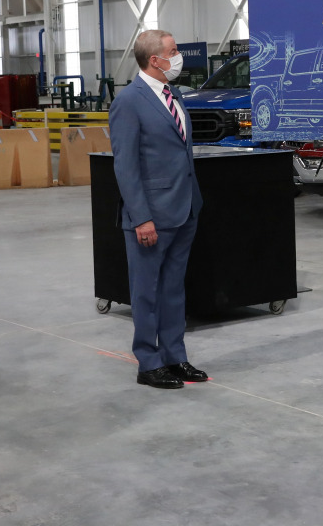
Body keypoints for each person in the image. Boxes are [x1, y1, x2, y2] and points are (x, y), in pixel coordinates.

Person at [109, 30, 206, 389]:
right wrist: (141, 217)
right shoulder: (129, 102)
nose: (179, 56)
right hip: (151, 215)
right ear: (155, 60)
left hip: (184, 208)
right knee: (147, 292)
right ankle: (149, 362)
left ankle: (174, 356)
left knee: (173, 289)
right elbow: (126, 166)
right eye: (174, 51)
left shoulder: (173, 94)